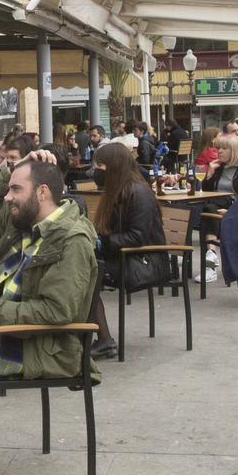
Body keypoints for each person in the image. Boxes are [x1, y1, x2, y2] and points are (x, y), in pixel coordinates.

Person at [0, 149, 100, 382]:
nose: (7, 197)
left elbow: (57, 311)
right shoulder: (23, 221)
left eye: (16, 189)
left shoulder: (71, 240)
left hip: (23, 346)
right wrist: (15, 168)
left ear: (42, 192)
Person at [89, 142, 161, 358]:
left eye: (100, 166)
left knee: (85, 276)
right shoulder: (120, 191)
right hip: (125, 257)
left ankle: (103, 340)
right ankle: (91, 337)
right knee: (74, 270)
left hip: (143, 262)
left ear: (114, 167)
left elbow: (137, 237)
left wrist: (102, 243)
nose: (96, 171)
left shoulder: (138, 193)